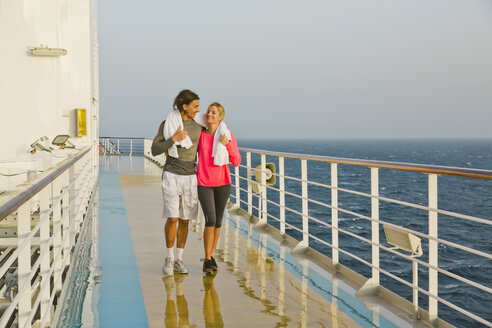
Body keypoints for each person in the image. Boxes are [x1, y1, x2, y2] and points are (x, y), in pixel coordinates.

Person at [157, 89, 204, 276]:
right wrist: (173, 140)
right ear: (184, 107)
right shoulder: (167, 124)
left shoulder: (199, 125)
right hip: (171, 174)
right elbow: (155, 149)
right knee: (173, 217)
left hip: (190, 177)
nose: (198, 110)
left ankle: (179, 259)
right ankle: (168, 257)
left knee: (185, 220)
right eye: (195, 106)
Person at [197, 102, 241, 273]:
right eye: (208, 112)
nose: (209, 115)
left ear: (221, 117)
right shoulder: (200, 135)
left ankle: (211, 255)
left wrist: (227, 144)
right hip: (204, 183)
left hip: (223, 183)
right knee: (210, 219)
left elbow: (236, 161)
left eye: (214, 113)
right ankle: (207, 259)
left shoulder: (228, 135)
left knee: (217, 222)